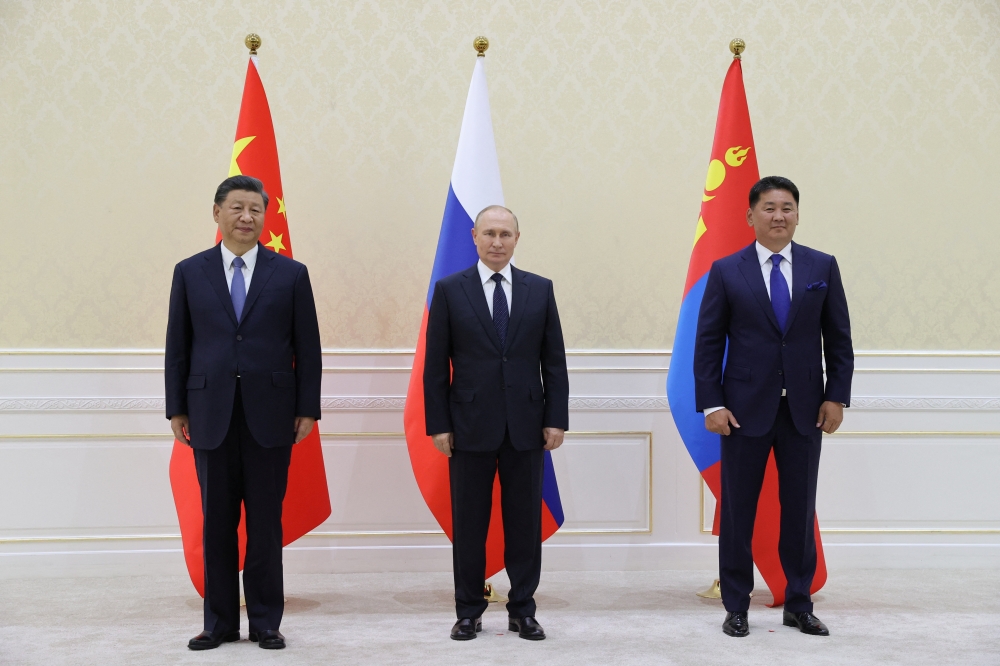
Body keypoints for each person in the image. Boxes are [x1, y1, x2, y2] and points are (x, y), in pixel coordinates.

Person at [165, 175, 322, 650]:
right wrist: (177, 407)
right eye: (237, 208)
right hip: (209, 412)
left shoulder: (290, 274)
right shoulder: (190, 272)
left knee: (264, 523)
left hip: (272, 416)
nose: (247, 218)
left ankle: (266, 622)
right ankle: (218, 623)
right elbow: (179, 345)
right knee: (216, 522)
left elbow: (307, 349)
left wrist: (307, 409)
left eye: (255, 210)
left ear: (264, 217)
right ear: (217, 213)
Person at [694, 176, 853, 638]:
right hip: (742, 411)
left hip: (806, 410)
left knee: (799, 510)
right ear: (750, 216)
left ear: (797, 215)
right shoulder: (727, 270)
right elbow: (707, 344)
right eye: (769, 208)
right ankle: (736, 605)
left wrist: (836, 396)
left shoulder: (822, 266)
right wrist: (712, 404)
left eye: (787, 207)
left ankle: (798, 603)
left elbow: (838, 340)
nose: (779, 215)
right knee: (739, 511)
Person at [423, 205, 569, 641]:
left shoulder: (539, 290)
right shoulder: (450, 290)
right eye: (489, 233)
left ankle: (523, 608)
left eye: (505, 234)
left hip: (526, 425)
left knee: (524, 524)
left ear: (517, 239)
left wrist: (555, 418)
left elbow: (554, 363)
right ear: (474, 236)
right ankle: (468, 610)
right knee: (469, 524)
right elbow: (435, 367)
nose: (497, 242)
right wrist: (439, 424)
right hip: (467, 426)